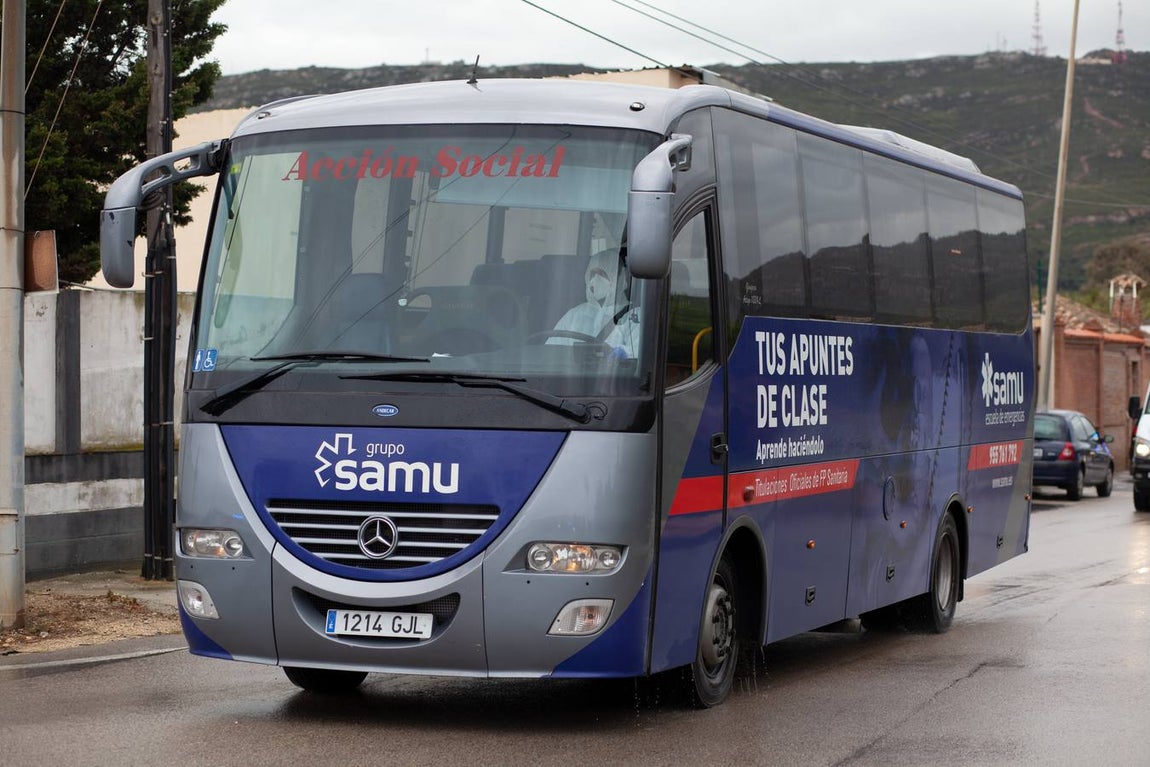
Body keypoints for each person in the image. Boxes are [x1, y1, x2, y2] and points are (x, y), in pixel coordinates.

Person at [551, 248, 640, 357]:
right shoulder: (574, 315)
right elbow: (551, 351)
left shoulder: (633, 316)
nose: (595, 280)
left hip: (612, 373)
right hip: (569, 374)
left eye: (602, 274)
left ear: (619, 279)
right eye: (592, 274)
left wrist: (623, 355)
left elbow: (638, 354)